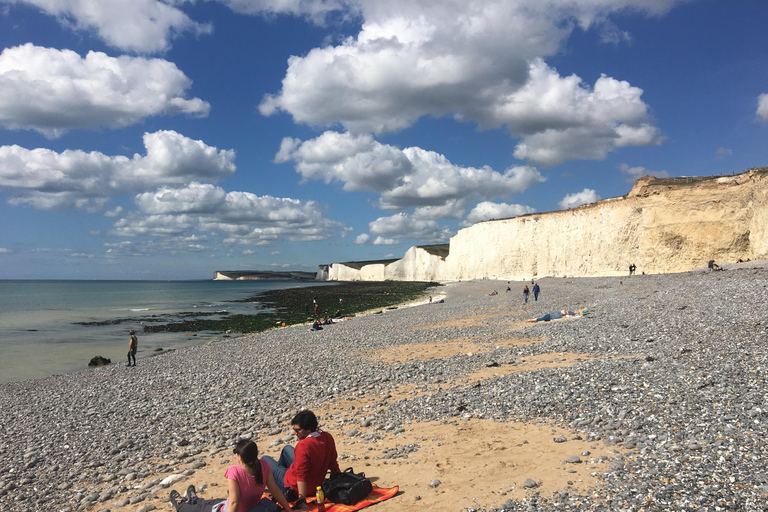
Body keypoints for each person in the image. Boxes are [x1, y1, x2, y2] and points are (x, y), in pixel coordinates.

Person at [168, 439, 296, 512]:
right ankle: (194, 498)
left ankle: (179, 503)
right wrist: (289, 510)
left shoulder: (234, 471)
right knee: (211, 502)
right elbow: (275, 491)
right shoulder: (264, 465)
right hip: (250, 506)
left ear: (239, 457)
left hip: (233, 510)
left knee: (197, 510)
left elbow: (234, 502)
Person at [263, 410, 340, 507]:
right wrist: (340, 481)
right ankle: (280, 476)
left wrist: (302, 500)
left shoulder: (303, 445)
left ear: (308, 429)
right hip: (317, 484)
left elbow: (301, 475)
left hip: (293, 487)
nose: (295, 433)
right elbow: (333, 463)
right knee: (287, 449)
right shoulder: (327, 437)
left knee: (265, 459)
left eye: (297, 430)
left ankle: (278, 487)